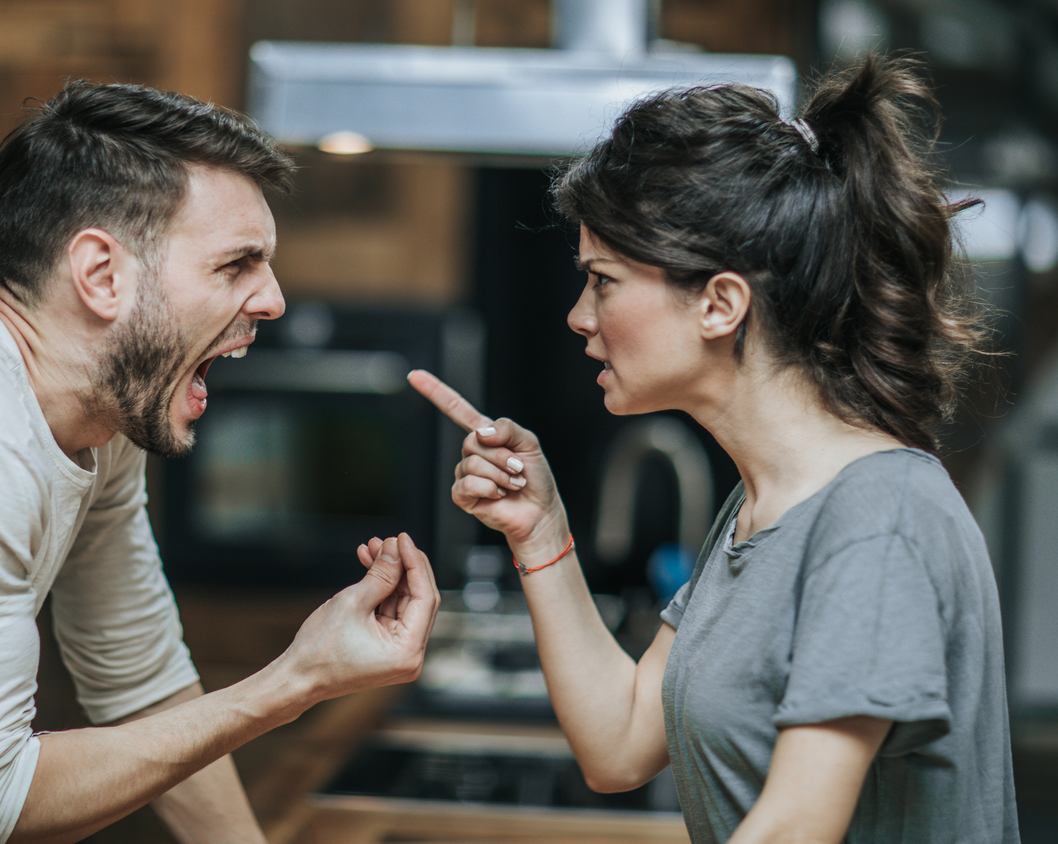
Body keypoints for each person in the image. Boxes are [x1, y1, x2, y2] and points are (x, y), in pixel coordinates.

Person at [409, 54, 1018, 843]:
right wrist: (541, 530)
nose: (577, 316)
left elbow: (795, 827)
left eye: (602, 280)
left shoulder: (877, 520)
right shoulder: (759, 509)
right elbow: (620, 744)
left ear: (720, 303)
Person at [0, 80, 439, 844]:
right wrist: (295, 680)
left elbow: (137, 676)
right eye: (236, 264)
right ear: (102, 276)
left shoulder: (88, 391)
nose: (273, 299)